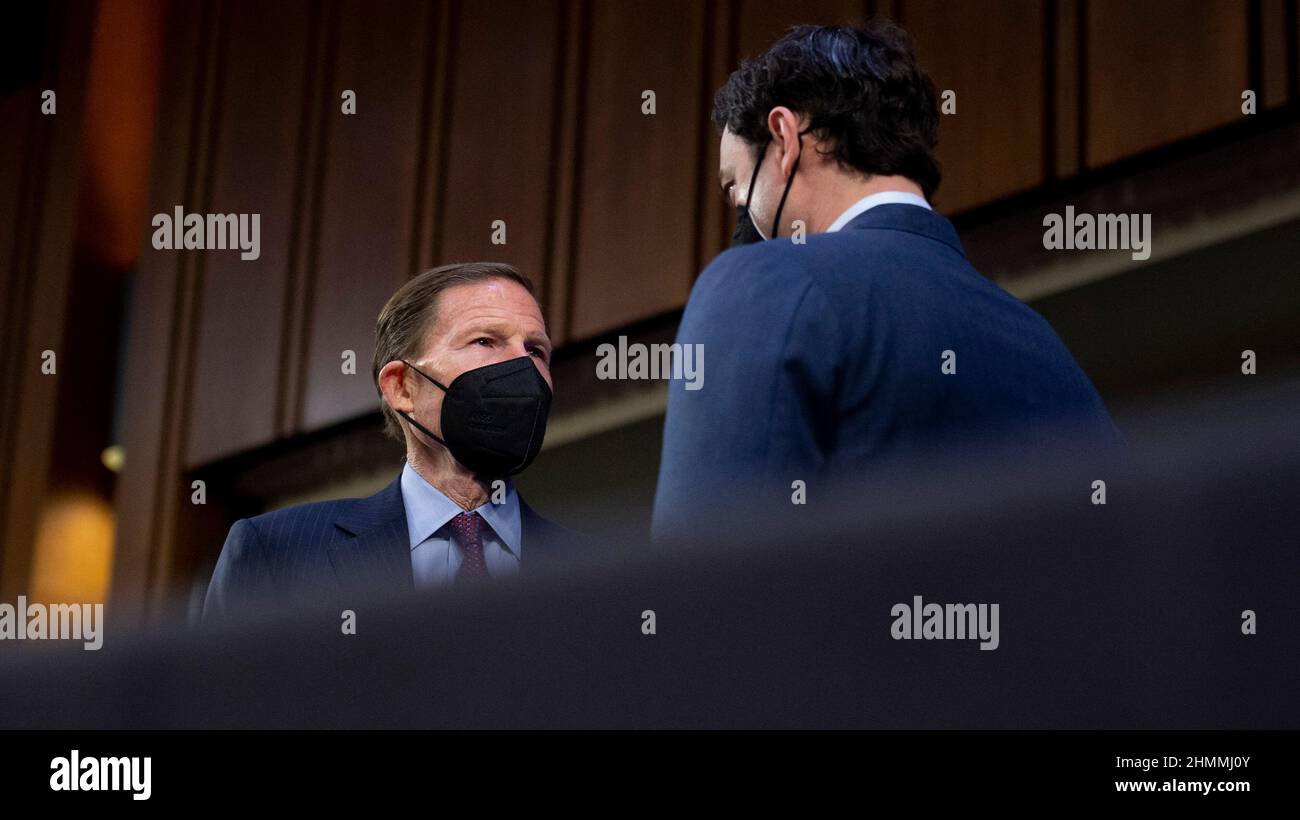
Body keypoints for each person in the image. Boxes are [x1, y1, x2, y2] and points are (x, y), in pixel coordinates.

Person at [652, 22, 1120, 540]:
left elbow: (705, 585)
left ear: (784, 138)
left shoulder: (758, 284)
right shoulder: (1043, 345)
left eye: (735, 185)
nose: (739, 210)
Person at [205, 262, 582, 617]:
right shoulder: (279, 552)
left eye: (535, 350)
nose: (523, 367)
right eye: (485, 341)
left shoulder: (597, 570)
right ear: (402, 387)